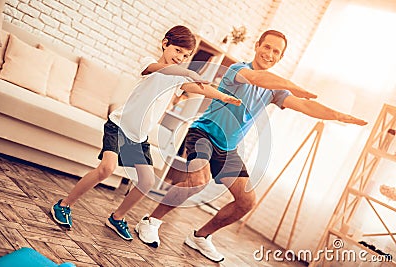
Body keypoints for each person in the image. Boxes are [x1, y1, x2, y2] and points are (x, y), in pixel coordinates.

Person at [134, 30, 367, 262]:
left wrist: (337, 115)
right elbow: (257, 79)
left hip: (228, 148)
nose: (270, 54)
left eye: (276, 52)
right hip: (204, 133)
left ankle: (200, 236)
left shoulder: (275, 90)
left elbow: (304, 106)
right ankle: (151, 221)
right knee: (197, 180)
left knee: (246, 201)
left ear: (280, 57)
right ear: (257, 46)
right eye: (267, 47)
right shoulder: (238, 70)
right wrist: (291, 84)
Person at [50, 25, 241, 241]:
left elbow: (201, 88)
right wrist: (186, 72)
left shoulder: (178, 79)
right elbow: (161, 69)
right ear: (165, 43)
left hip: (138, 138)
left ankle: (117, 218)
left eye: (186, 55)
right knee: (106, 168)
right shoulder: (150, 63)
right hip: (119, 127)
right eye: (177, 50)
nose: (180, 58)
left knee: (147, 181)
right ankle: (64, 205)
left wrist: (223, 97)